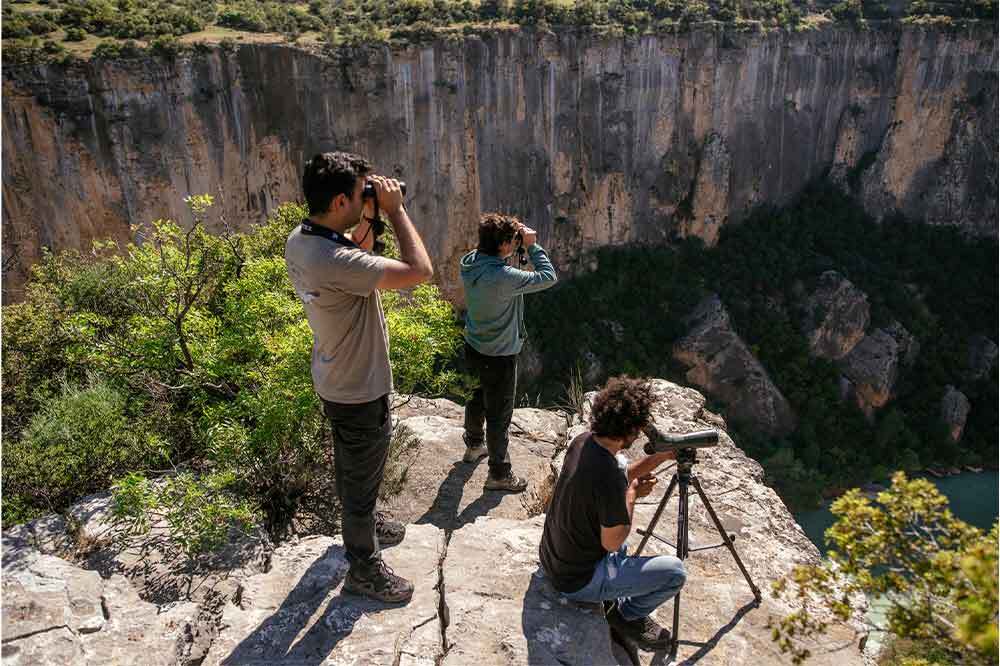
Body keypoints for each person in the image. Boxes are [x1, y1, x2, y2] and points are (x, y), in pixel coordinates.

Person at [284, 152, 433, 604]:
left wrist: (368, 215)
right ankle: (363, 567)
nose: (368, 195)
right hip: (358, 387)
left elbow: (358, 252)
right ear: (337, 201)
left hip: (337, 376)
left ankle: (364, 519)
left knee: (357, 466)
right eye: (360, 192)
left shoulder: (305, 238)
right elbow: (419, 272)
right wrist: (395, 210)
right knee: (360, 469)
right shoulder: (334, 259)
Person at [539, 376, 687, 650]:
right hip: (576, 581)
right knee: (675, 572)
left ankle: (615, 600)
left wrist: (660, 457)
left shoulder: (584, 443)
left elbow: (621, 475)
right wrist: (631, 495)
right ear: (629, 431)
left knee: (625, 545)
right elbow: (612, 542)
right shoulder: (607, 475)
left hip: (555, 559)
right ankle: (627, 615)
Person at [459, 213, 557, 492]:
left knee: (475, 397)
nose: (516, 244)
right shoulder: (504, 276)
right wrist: (533, 246)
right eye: (512, 241)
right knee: (500, 414)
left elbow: (492, 253)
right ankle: (499, 474)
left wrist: (510, 238)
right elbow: (548, 277)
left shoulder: (470, 262)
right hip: (499, 354)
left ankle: (474, 445)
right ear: (503, 244)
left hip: (473, 344)